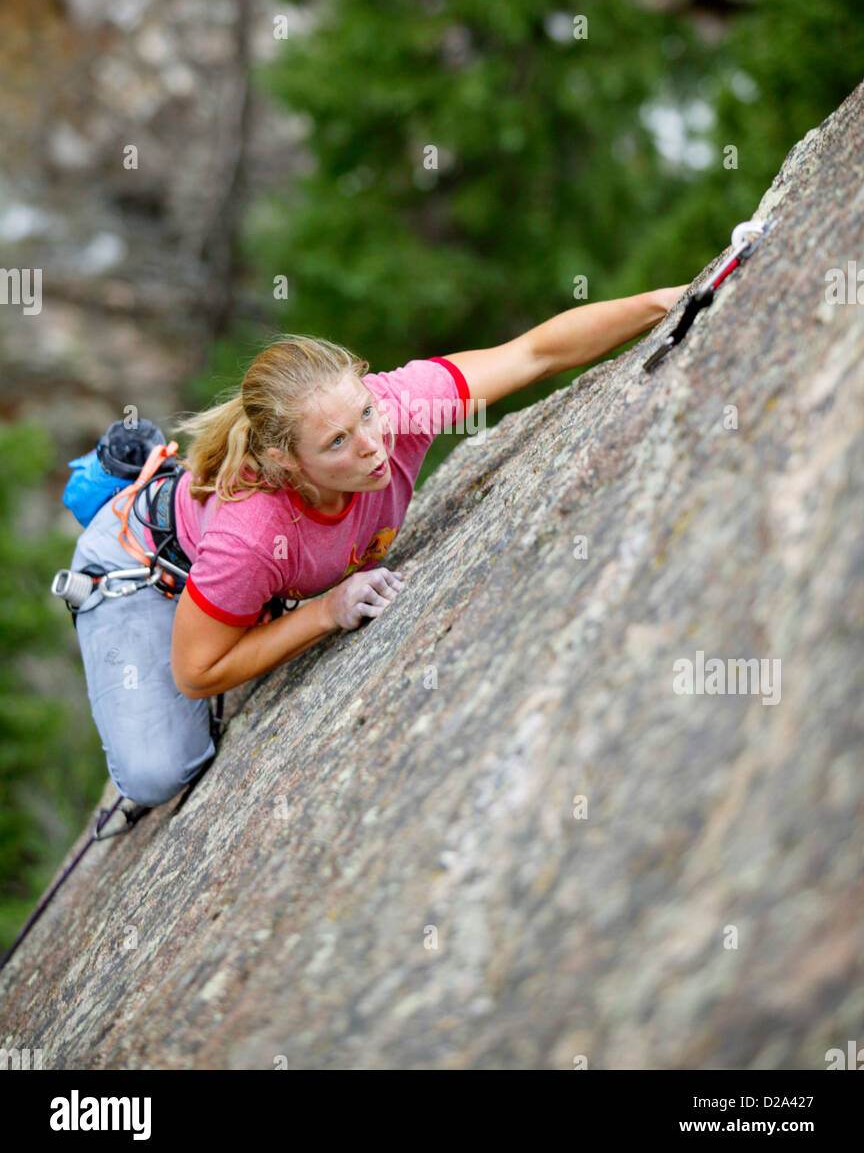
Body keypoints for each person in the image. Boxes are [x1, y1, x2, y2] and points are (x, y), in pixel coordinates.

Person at [68, 286, 687, 809]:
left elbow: (533, 353)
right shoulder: (252, 534)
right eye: (337, 442)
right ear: (286, 461)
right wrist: (325, 612)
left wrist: (667, 301)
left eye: (365, 413)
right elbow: (196, 672)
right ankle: (119, 496)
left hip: (221, 556)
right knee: (159, 772)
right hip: (140, 564)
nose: (372, 446)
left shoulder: (398, 409)